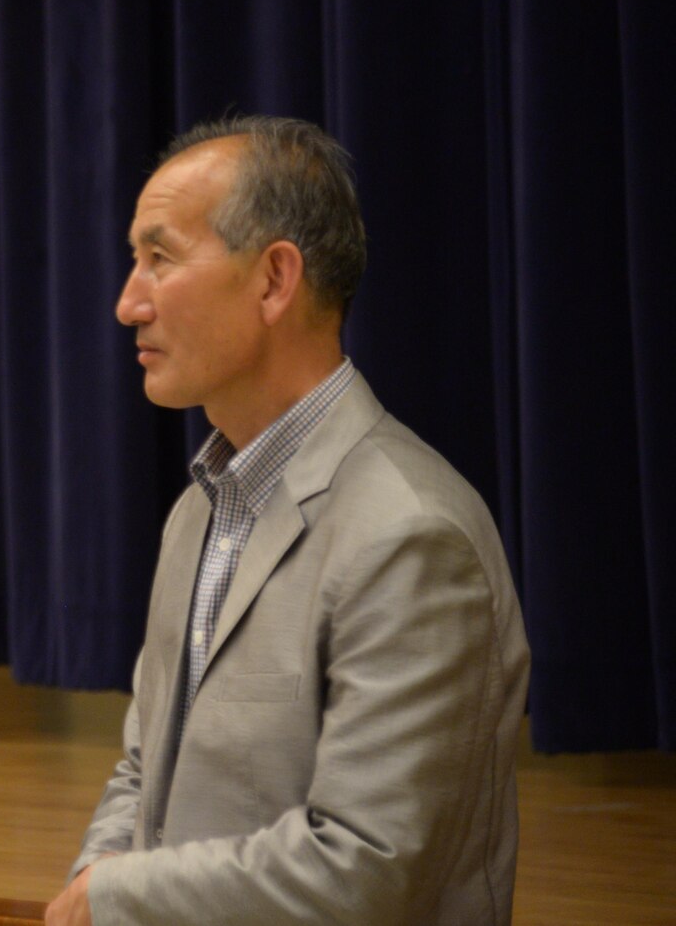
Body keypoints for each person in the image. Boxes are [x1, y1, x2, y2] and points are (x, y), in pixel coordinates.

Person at [47, 116, 529, 926]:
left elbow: (365, 868)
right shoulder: (196, 509)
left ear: (274, 279)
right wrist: (95, 870)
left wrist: (113, 897)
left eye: (160, 257)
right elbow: (142, 770)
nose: (128, 302)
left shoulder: (412, 534)